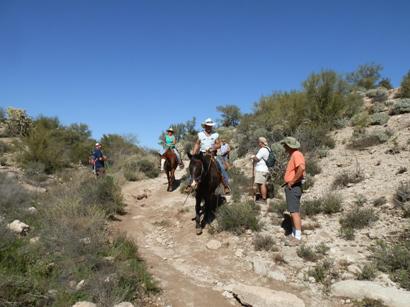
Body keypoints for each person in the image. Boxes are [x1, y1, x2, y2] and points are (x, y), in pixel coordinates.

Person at [192, 118, 230, 194]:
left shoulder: (215, 135)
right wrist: (193, 153)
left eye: (210, 126)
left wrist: (213, 147)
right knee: (194, 167)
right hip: (202, 155)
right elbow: (197, 144)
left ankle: (225, 185)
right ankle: (190, 184)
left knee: (221, 168)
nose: (209, 127)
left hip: (212, 155)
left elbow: (219, 144)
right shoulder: (200, 134)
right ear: (205, 126)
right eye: (208, 126)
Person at [281, 136, 306, 244]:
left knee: (294, 212)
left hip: (294, 186)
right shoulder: (294, 155)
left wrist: (292, 181)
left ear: (289, 145)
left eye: (285, 145)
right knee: (292, 211)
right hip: (292, 186)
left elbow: (301, 168)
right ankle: (294, 234)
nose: (284, 147)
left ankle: (298, 238)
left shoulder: (296, 154)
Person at [251, 137, 270, 205]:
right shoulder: (268, 149)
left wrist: (252, 157)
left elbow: (257, 158)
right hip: (265, 169)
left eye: (259, 142)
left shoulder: (262, 150)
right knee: (261, 183)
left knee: (262, 184)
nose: (258, 143)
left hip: (261, 169)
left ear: (261, 143)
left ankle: (263, 199)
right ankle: (263, 197)